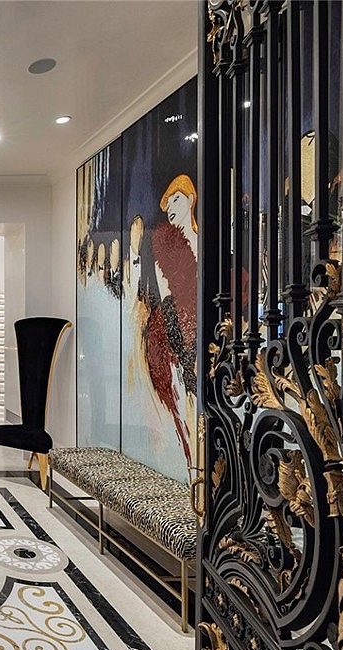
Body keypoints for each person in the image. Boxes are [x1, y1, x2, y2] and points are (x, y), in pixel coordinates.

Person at [138, 174, 198, 469]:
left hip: (202, 332)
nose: (171, 207)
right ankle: (189, 459)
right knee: (184, 400)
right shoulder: (165, 244)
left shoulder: (204, 243)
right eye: (168, 203)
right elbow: (166, 296)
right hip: (175, 334)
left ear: (191, 199)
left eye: (176, 199)